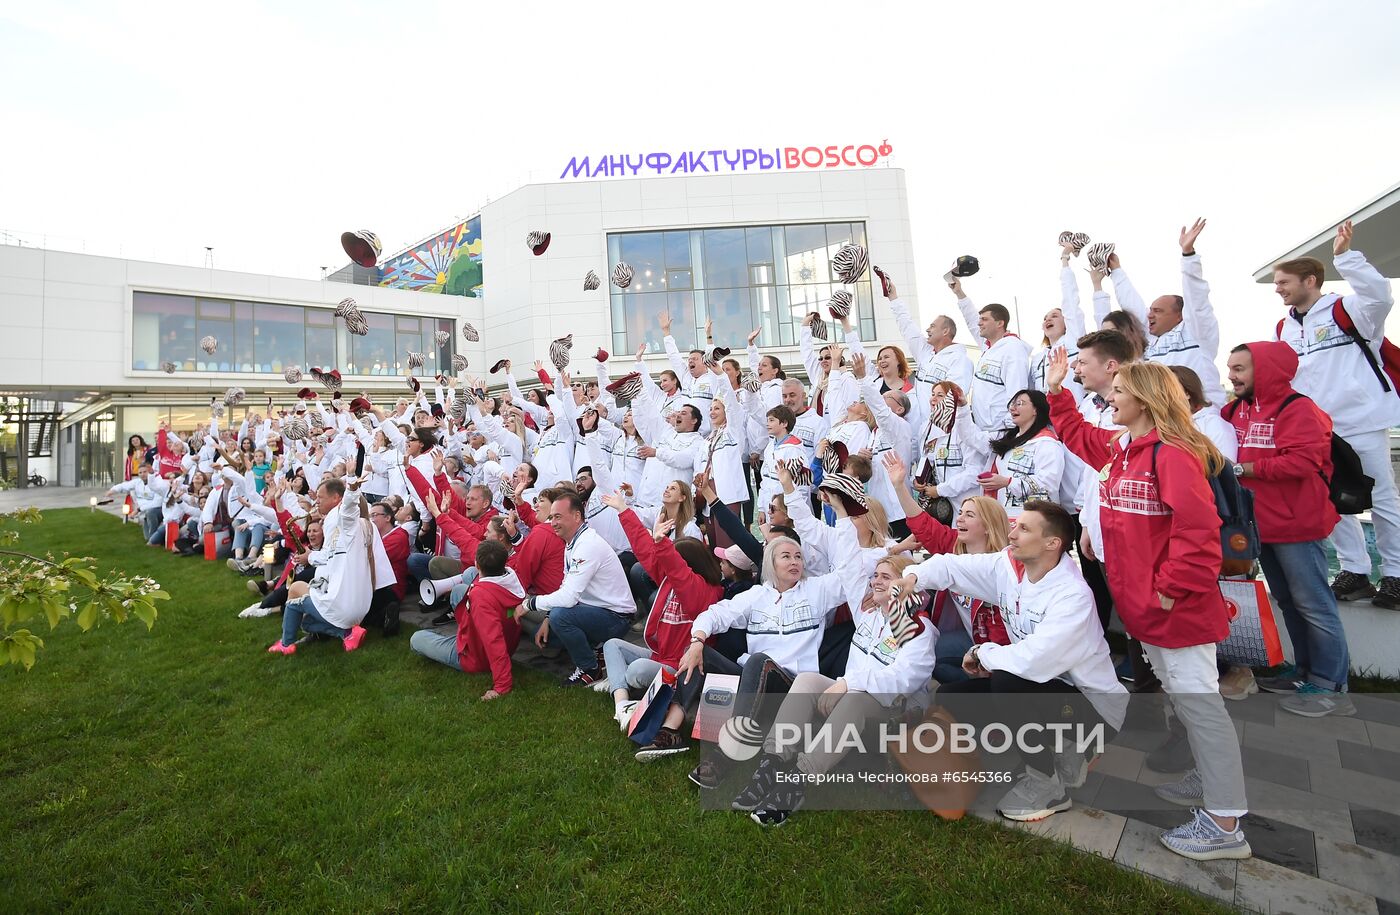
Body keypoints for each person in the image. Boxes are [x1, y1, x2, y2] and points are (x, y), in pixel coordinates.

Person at [1047, 353, 1252, 862]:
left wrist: (1168, 589)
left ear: (1143, 397)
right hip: (1146, 610)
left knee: (1202, 708)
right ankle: (1208, 779)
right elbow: (1080, 436)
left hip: (1174, 610)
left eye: (1117, 391)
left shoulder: (1173, 454)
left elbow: (1199, 532)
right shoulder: (1124, 448)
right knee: (1187, 702)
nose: (1110, 398)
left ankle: (1225, 824)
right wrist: (1056, 392)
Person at [898, 501, 1127, 823]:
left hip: (1094, 708)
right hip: (1044, 689)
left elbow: (1034, 661)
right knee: (951, 696)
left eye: (1024, 528)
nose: (1012, 533)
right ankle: (1057, 747)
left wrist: (982, 653)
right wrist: (913, 577)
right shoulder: (1009, 566)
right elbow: (952, 567)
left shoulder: (1072, 595)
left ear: (1052, 544)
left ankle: (1048, 783)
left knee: (1008, 682)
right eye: (1014, 525)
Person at [735, 554, 937, 826]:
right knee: (807, 680)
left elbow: (902, 680)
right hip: (852, 694)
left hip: (896, 711)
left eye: (886, 577)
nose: (876, 581)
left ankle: (798, 783)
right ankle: (771, 764)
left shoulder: (918, 627)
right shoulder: (871, 616)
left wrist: (847, 684)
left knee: (853, 699)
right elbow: (849, 560)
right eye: (875, 575)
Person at [1273, 220, 1400, 608]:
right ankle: (1355, 572)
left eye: (1284, 282)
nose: (1278, 288)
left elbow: (1381, 296)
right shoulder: (1284, 327)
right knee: (1332, 501)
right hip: (1317, 429)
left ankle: (1395, 575)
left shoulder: (1349, 310)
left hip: (1361, 421)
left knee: (1381, 499)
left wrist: (1347, 258)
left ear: (1310, 280)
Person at [1225, 342, 1352, 716]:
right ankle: (1304, 673)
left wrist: (1244, 469)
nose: (1232, 376)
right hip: (1259, 525)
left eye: (1240, 369)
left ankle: (1332, 686)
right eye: (1231, 368)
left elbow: (1303, 461)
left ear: (1265, 370)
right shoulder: (1238, 410)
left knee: (1314, 603)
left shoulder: (1297, 409)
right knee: (1289, 602)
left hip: (1297, 524)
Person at [674, 533, 855, 791]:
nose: (795, 562)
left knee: (759, 662)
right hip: (753, 677)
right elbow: (716, 613)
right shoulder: (756, 595)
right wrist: (697, 641)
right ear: (771, 563)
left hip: (791, 685)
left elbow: (851, 573)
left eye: (798, 557)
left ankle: (728, 753)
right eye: (786, 556)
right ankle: (672, 724)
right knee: (698, 652)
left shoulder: (817, 590)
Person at [599, 492, 725, 760]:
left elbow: (679, 573)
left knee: (636, 670)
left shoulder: (704, 591)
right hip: (660, 657)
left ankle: (630, 690)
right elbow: (646, 553)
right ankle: (623, 706)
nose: (667, 566)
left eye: (674, 560)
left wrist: (664, 545)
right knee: (613, 646)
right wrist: (624, 510)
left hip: (678, 665)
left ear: (687, 564)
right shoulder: (670, 579)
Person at [884, 451, 1011, 684]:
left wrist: (986, 660)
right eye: (960, 513)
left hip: (1000, 647)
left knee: (949, 674)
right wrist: (899, 486)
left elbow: (1005, 637)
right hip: (966, 636)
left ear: (987, 527)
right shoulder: (953, 544)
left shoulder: (1003, 566)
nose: (960, 519)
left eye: (969, 515)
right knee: (919, 651)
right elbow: (921, 523)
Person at [268, 477, 396, 655]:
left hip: (345, 602)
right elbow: (336, 556)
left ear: (337, 499)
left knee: (294, 602)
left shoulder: (341, 521)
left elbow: (331, 555)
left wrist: (309, 557)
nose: (316, 501)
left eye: (320, 497)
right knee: (306, 622)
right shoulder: (367, 526)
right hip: (362, 601)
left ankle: (286, 644)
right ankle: (347, 634)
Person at [521, 491, 634, 686]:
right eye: (551, 517)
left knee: (559, 617)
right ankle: (597, 651)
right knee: (550, 629)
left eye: (558, 517)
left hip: (617, 618)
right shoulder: (574, 541)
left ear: (576, 516)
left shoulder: (587, 544)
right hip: (600, 611)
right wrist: (547, 618)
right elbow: (567, 586)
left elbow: (568, 598)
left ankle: (589, 668)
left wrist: (529, 604)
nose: (553, 522)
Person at [410, 539, 525, 700]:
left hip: (474, 657)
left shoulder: (481, 597)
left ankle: (451, 639)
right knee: (461, 586)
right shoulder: (513, 578)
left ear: (478, 564)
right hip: (508, 642)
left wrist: (502, 686)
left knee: (417, 639)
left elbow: (494, 643)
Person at [880, 270, 975, 416]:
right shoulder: (926, 353)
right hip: (921, 429)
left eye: (932, 326)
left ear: (945, 331)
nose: (927, 329)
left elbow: (954, 399)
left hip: (942, 432)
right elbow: (907, 327)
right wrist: (893, 297)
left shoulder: (960, 361)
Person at [952, 276, 1032, 432]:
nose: (979, 323)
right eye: (980, 319)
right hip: (984, 429)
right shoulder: (988, 346)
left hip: (1002, 430)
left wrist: (1010, 426)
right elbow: (971, 319)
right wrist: (959, 293)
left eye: (984, 319)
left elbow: (1018, 388)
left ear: (1000, 323)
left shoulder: (1013, 348)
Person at [977, 390, 1065, 520]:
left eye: (1020, 403)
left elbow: (1049, 484)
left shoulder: (1047, 443)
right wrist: (962, 408)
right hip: (1005, 515)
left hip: (1036, 519)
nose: (1013, 408)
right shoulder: (1008, 438)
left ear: (1036, 410)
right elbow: (973, 439)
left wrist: (1008, 482)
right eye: (1013, 404)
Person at [1029, 241, 1091, 400]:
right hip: (1046, 422)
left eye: (1055, 316)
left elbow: (1070, 302)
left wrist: (1065, 259)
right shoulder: (1037, 358)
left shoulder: (1074, 341)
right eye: (1045, 318)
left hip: (1074, 416)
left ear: (1067, 323)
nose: (1048, 319)